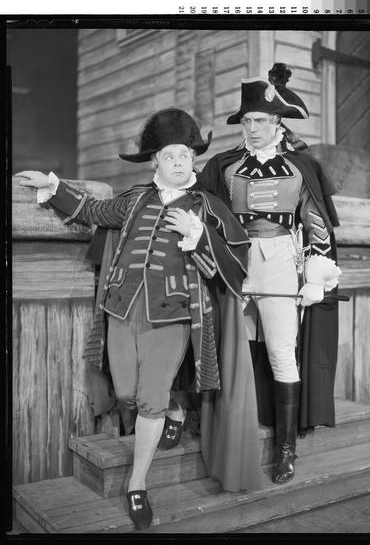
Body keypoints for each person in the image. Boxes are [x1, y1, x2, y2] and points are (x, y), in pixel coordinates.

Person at [17, 108, 263, 531]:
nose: (180, 162)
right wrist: (52, 186)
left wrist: (199, 234)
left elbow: (238, 259)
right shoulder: (134, 199)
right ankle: (174, 411)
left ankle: (137, 483)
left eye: (185, 155)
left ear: (193, 160)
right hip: (121, 307)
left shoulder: (206, 206)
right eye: (170, 156)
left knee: (147, 399)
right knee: (127, 392)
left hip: (173, 315)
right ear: (155, 163)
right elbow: (93, 210)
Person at [198, 63, 341, 486]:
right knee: (234, 351)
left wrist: (315, 275)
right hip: (237, 264)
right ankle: (232, 437)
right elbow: (207, 215)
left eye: (261, 120)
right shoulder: (224, 166)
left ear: (278, 122)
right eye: (247, 121)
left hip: (281, 262)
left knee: (281, 352)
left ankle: (286, 450)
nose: (253, 128)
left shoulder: (301, 167)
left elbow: (317, 224)